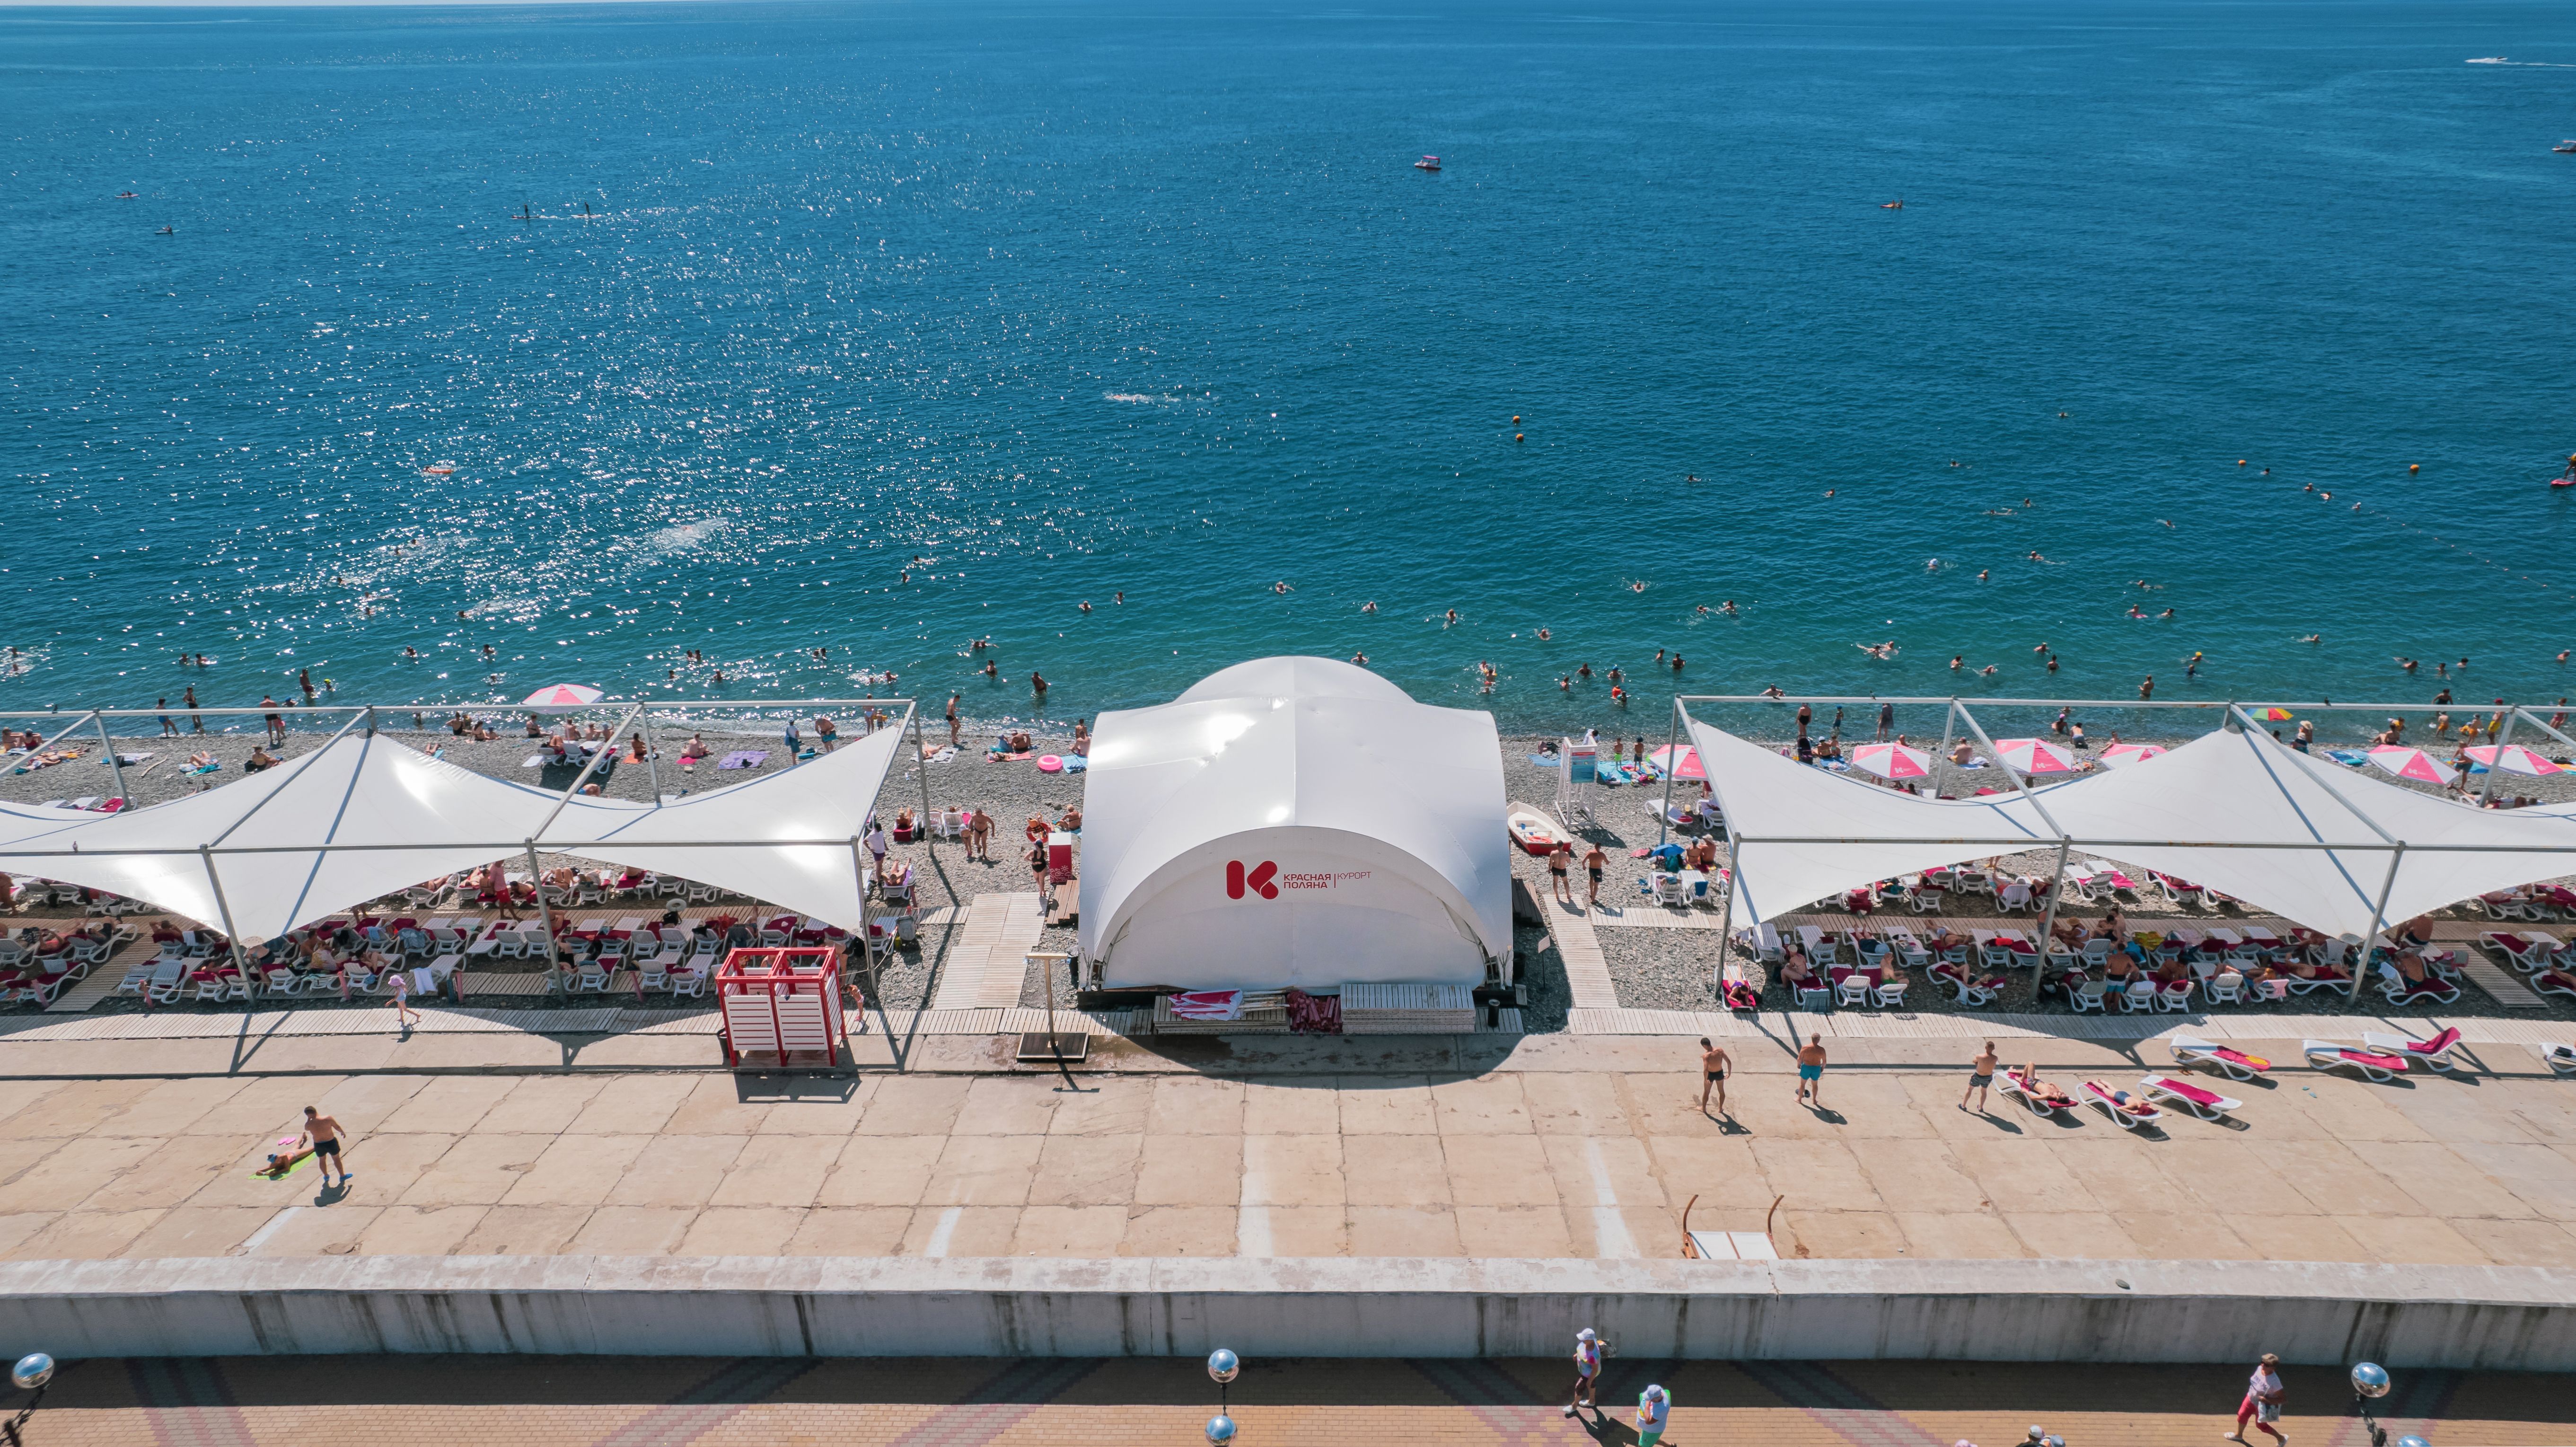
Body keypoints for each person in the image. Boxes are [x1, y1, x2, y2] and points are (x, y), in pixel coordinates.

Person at [2225, 1353, 2286, 1445]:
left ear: (2273, 1368)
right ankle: (2239, 1435)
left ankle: (2281, 1438)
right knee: (2242, 1415)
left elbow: (2283, 1399)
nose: (2263, 1365)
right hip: (2250, 1398)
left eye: (2266, 1365)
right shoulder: (2259, 1369)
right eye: (2262, 1362)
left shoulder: (2275, 1382)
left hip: (2262, 1405)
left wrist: (2267, 1401)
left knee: (2261, 1426)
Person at [298, 1105, 352, 1186]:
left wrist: (309, 1119)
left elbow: (306, 1128)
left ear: (307, 1115)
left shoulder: (309, 1124)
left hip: (319, 1144)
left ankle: (326, 1176)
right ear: (315, 1111)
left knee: (322, 1160)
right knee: (336, 1159)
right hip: (330, 1142)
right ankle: (342, 1176)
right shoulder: (328, 1118)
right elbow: (337, 1127)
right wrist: (342, 1132)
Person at [1562, 1328, 1607, 1419]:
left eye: (1584, 1339)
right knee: (1592, 1385)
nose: (1582, 1340)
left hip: (1588, 1374)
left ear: (1590, 1340)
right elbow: (1583, 1351)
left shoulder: (1593, 1355)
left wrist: (1589, 1380)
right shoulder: (1590, 1342)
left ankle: (1574, 1406)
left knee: (1579, 1387)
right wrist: (1578, 1354)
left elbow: (1594, 1369)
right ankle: (1592, 1401)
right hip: (1587, 1372)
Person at [1962, 1039, 1999, 1112]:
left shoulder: (1979, 1057)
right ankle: (1981, 1107)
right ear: (1993, 1049)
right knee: (1984, 1091)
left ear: (1986, 1048)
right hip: (1988, 1077)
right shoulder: (1995, 1058)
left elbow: (1974, 1061)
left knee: (1970, 1089)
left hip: (1978, 1076)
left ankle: (1964, 1105)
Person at [1699, 1036, 1730, 1115]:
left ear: (1704, 1046)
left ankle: (1703, 1109)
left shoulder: (1706, 1056)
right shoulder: (1720, 1051)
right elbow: (1729, 1062)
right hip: (1720, 1073)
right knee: (1721, 1091)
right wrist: (1729, 1073)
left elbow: (1706, 1070)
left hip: (1710, 1075)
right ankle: (1720, 1108)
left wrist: (1706, 1079)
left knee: (1706, 1092)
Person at [1795, 1032, 1828, 1105]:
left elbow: (1799, 1059)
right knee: (1815, 1085)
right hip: (1816, 1068)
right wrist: (1822, 1069)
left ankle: (1799, 1099)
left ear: (1812, 1039)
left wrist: (1798, 1066)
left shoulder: (1805, 1048)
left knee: (1802, 1084)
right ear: (1819, 1040)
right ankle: (1814, 1100)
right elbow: (1824, 1062)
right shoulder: (1822, 1050)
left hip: (1806, 1067)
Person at [1582, 842, 1607, 908]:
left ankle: (1591, 893)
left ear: (1595, 846)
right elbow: (1607, 862)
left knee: (1591, 879)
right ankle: (1593, 900)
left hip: (1591, 870)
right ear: (1600, 847)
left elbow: (1584, 861)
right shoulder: (1602, 855)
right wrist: (1608, 862)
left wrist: (1584, 866)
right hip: (1598, 871)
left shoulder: (1590, 853)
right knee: (1596, 885)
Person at [1548, 839, 1573, 903]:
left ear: (1557, 845)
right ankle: (1568, 895)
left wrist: (1549, 869)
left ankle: (1557, 896)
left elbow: (1550, 862)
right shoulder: (1566, 854)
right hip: (1562, 870)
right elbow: (1569, 862)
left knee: (1555, 882)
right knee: (1565, 882)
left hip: (1555, 869)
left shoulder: (1553, 853)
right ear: (1563, 846)